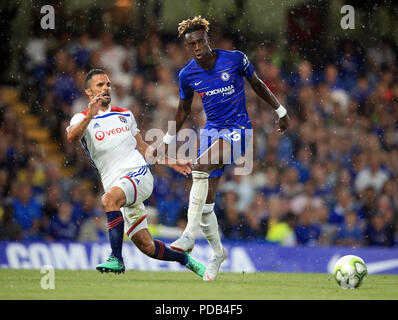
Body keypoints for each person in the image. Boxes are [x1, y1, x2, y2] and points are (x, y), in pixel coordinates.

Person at [161, 16, 289, 281]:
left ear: (208, 39)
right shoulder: (187, 74)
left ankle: (188, 236)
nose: (196, 47)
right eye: (191, 44)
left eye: (199, 41)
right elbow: (184, 108)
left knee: (200, 166)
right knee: (207, 204)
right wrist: (166, 139)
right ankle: (218, 253)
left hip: (238, 130)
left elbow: (257, 84)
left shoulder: (234, 59)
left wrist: (280, 110)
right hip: (212, 132)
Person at [66, 69, 205, 277]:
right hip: (118, 185)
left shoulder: (125, 114)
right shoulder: (82, 118)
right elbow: (71, 137)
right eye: (100, 85)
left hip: (138, 174)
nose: (106, 89)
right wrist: (90, 115)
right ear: (88, 92)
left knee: (107, 200)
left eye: (108, 85)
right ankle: (184, 258)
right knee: (147, 246)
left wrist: (171, 162)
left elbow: (143, 148)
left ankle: (116, 258)